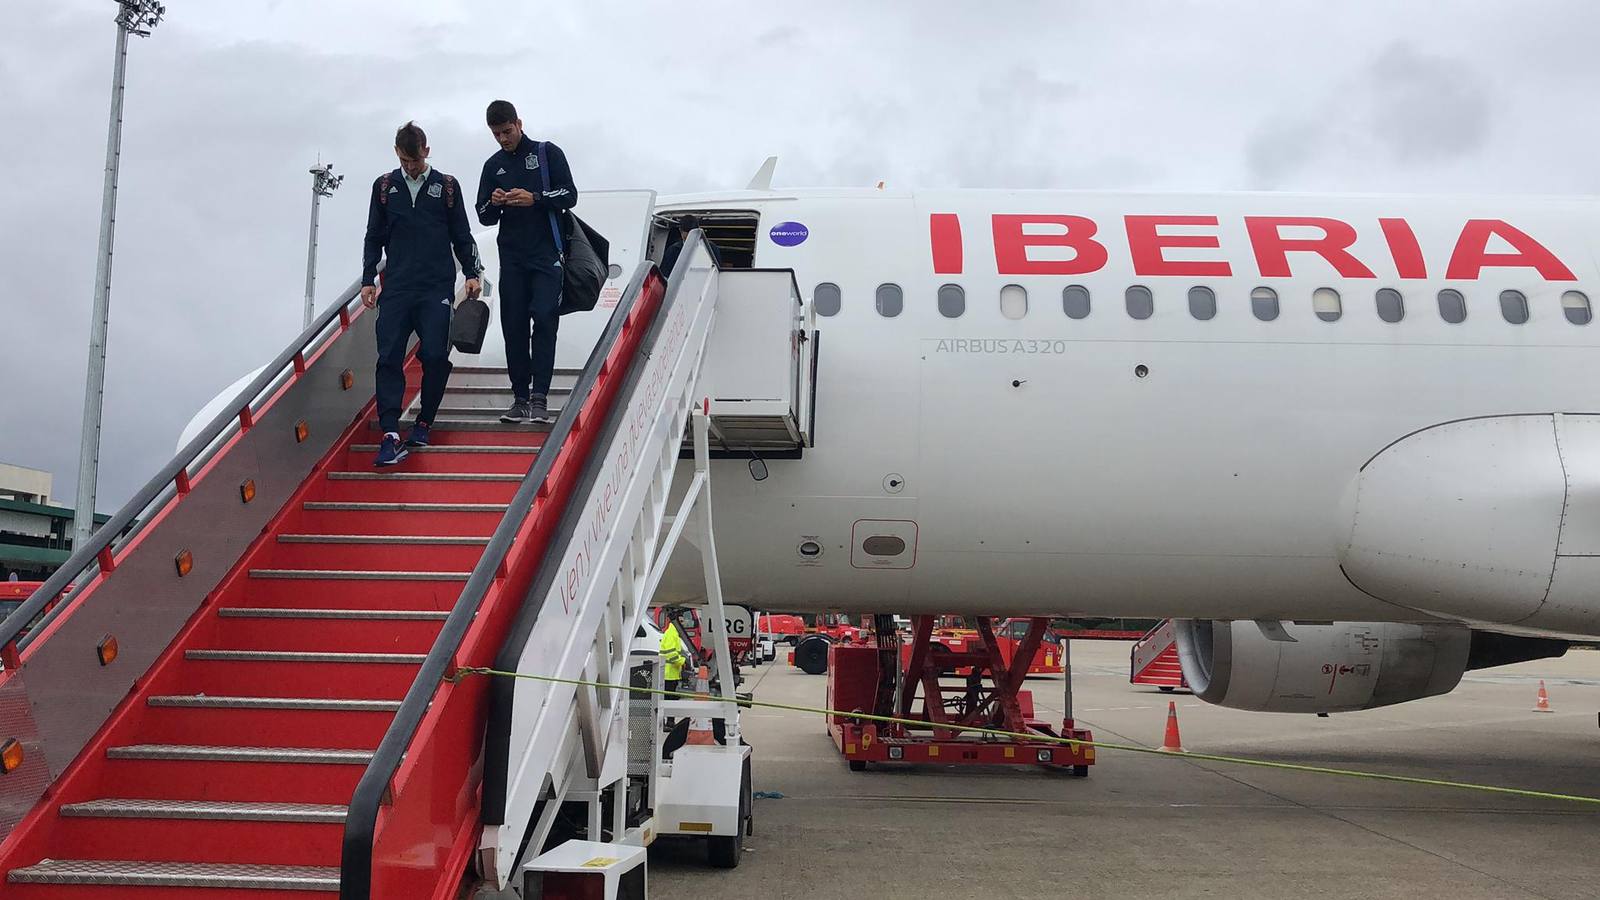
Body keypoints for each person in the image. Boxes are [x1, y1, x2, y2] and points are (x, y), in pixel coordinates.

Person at [361, 121, 482, 466]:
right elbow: (373, 235)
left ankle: (424, 421)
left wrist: (472, 272)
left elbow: (463, 234)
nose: (410, 167)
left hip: (435, 288)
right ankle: (389, 432)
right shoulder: (385, 187)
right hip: (397, 287)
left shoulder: (446, 186)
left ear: (426, 152)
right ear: (397, 154)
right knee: (388, 359)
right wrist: (368, 278)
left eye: (415, 160)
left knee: (433, 356)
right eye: (405, 161)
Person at [476, 100, 577, 425]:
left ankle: (540, 397)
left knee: (545, 319)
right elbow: (483, 215)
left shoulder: (548, 154)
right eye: (497, 134)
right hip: (513, 258)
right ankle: (520, 397)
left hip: (547, 255)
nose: (503, 139)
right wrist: (495, 203)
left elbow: (570, 195)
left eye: (507, 131)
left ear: (519, 123)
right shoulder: (493, 166)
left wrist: (534, 198)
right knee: (514, 325)